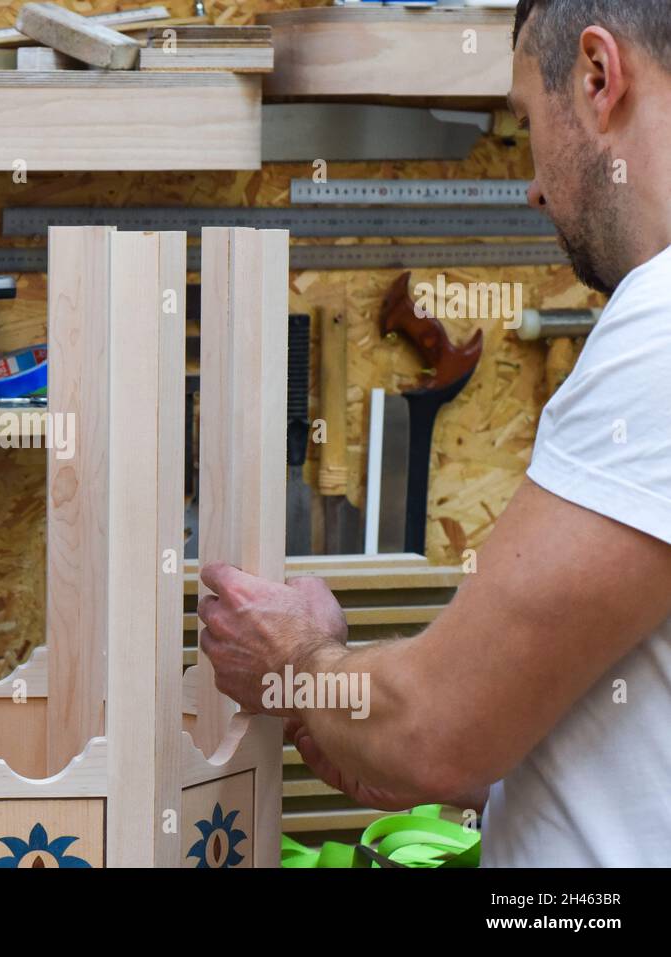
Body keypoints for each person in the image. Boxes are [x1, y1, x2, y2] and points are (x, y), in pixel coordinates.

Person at [196, 0, 671, 867]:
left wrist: (295, 659)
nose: (532, 185)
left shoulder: (663, 330)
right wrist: (495, 766)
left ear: (599, 77)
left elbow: (438, 727)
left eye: (527, 121)